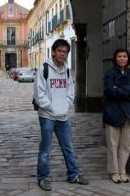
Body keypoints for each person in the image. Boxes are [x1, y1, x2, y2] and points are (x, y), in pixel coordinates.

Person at [33, 39, 89, 191]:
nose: (62, 54)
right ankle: (43, 177)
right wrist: (52, 107)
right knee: (45, 149)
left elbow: (70, 91)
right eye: (60, 51)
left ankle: (73, 175)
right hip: (47, 116)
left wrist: (65, 106)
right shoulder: (43, 69)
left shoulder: (68, 71)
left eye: (65, 52)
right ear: (53, 52)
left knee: (68, 147)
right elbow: (39, 95)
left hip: (63, 117)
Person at [103, 48, 130, 184]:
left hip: (128, 114)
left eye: (124, 56)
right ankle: (114, 172)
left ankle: (122, 171)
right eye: (119, 56)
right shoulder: (109, 73)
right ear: (115, 58)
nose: (122, 58)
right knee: (112, 144)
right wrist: (126, 90)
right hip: (113, 112)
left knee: (125, 145)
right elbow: (109, 91)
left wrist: (119, 89)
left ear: (128, 58)